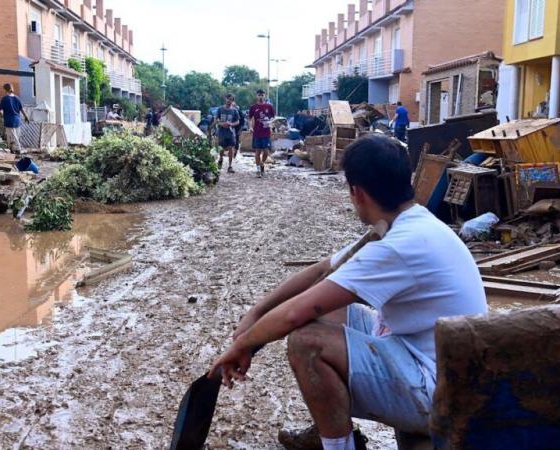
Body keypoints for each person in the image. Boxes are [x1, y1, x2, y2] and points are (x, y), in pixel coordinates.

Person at [208, 134, 487, 450]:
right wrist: (255, 313)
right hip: (436, 365)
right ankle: (330, 430)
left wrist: (243, 344)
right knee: (325, 308)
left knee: (307, 343)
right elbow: (320, 272)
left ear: (357, 193)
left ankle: (338, 447)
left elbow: (298, 312)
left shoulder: (399, 246)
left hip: (441, 393)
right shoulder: (412, 224)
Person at [0, 83, 29, 154]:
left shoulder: (5, 98)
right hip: (17, 120)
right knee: (15, 136)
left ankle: (18, 150)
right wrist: (26, 117)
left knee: (12, 137)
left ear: (5, 89)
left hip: (9, 121)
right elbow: (21, 109)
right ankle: (13, 150)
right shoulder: (17, 98)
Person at [249, 89, 275, 177]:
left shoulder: (269, 107)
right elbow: (250, 119)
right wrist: (250, 127)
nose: (261, 96)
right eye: (259, 95)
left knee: (266, 152)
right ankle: (258, 170)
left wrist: (271, 124)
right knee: (257, 152)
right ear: (256, 96)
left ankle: (262, 163)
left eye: (262, 95)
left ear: (265, 96)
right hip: (257, 132)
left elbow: (273, 118)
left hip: (266, 132)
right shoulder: (253, 107)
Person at [216, 94, 240, 173]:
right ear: (225, 99)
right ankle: (220, 159)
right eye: (228, 99)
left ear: (233, 101)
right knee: (221, 148)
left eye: (231, 100)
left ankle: (230, 166)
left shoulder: (234, 110)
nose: (229, 101)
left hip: (230, 132)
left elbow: (238, 121)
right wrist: (221, 124)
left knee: (231, 149)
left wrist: (232, 124)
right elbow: (216, 119)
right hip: (222, 132)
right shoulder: (220, 109)